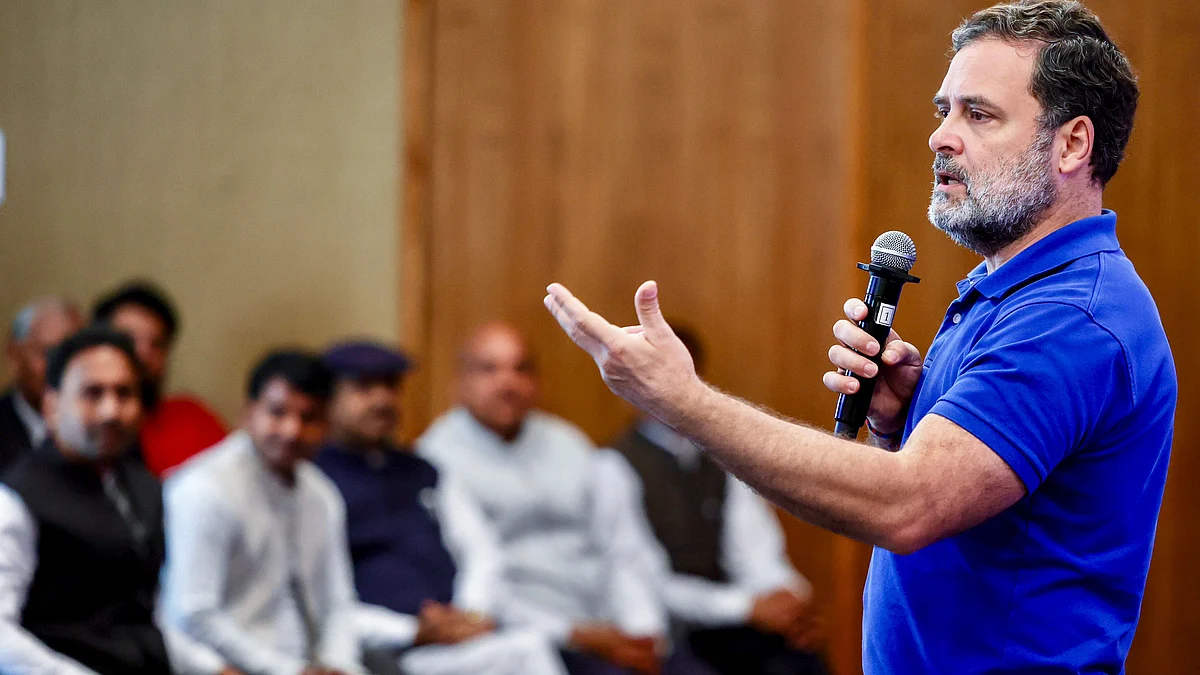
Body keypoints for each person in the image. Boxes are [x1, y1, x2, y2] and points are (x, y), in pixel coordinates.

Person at [542, 2, 1175, 673]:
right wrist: (901, 424)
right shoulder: (1007, 289)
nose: (940, 137)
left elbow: (909, 504)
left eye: (979, 114)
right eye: (944, 110)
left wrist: (681, 401)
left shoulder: (1070, 318)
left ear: (1072, 144)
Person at [418, 323, 717, 675]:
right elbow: (478, 572)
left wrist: (642, 630)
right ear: (459, 382)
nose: (508, 383)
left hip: (609, 622)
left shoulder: (568, 443)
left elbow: (620, 547)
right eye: (489, 369)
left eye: (521, 368)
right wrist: (578, 635)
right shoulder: (437, 459)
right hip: (530, 637)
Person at [315, 339, 568, 675]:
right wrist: (411, 631)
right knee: (525, 652)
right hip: (387, 652)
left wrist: (469, 614)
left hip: (458, 636)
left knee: (529, 646)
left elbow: (481, 550)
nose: (382, 400)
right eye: (363, 388)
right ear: (328, 399)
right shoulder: (315, 482)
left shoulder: (423, 469)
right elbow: (322, 600)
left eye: (390, 386)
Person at [0, 326, 234, 674]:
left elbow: (140, 625)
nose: (111, 410)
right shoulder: (16, 498)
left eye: (124, 393)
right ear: (52, 405)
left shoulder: (141, 486)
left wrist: (213, 668)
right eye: (92, 393)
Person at [605, 327, 828, 675]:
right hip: (670, 632)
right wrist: (744, 607)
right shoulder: (614, 466)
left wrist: (786, 598)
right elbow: (641, 581)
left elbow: (755, 550)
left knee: (799, 660)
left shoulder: (721, 453)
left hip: (735, 622)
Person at [160, 350, 363, 675]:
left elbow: (337, 604)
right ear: (247, 412)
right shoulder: (205, 488)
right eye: (277, 412)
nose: (292, 430)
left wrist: (338, 665)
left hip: (307, 664)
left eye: (308, 418)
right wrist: (289, 670)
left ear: (326, 424)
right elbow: (193, 615)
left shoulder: (321, 495)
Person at [93, 281, 226, 476]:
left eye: (156, 345)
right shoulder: (77, 427)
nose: (143, 355)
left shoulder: (191, 420)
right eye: (128, 339)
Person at [0, 298, 83, 469]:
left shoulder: (105, 428)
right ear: (14, 356)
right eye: (47, 353)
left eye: (72, 354)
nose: (60, 366)